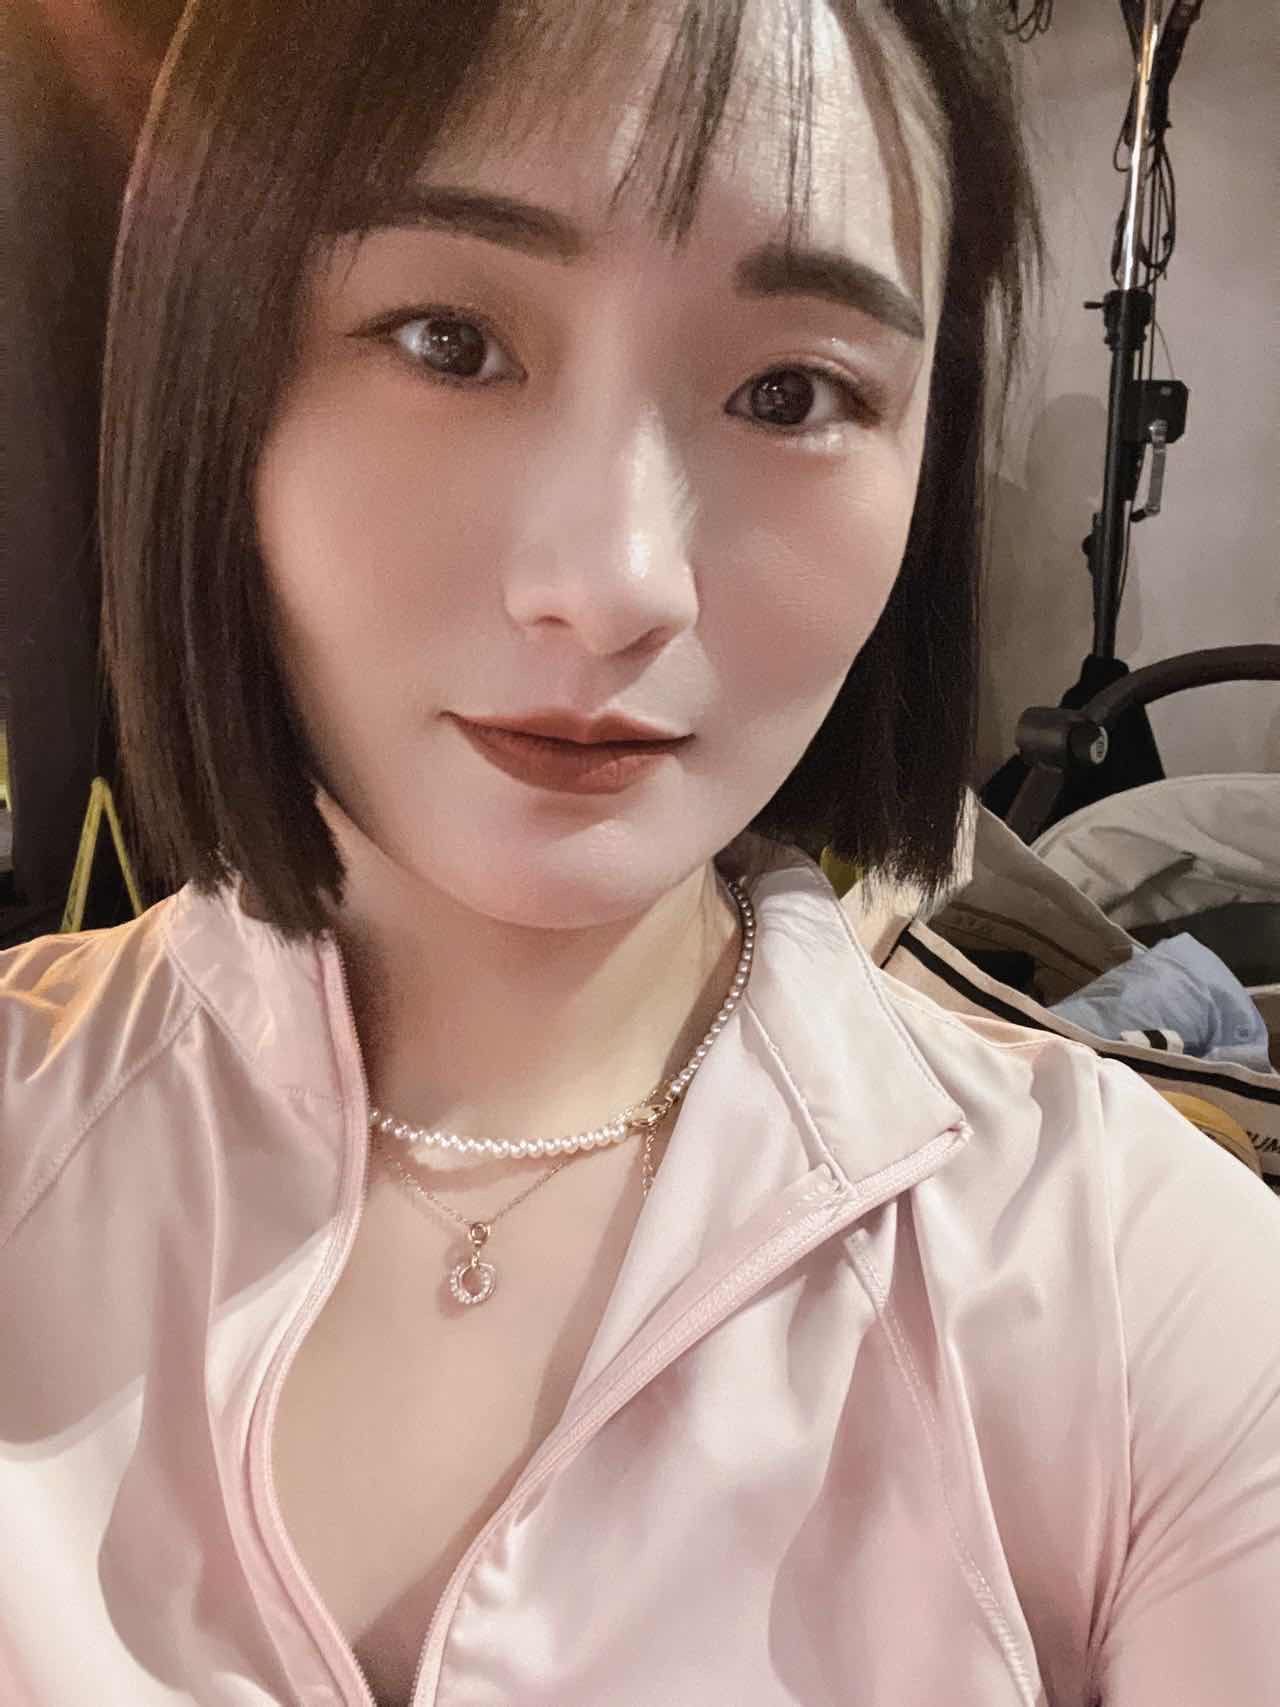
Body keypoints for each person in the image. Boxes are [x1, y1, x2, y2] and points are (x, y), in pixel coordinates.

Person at [1, 1, 1276, 1703]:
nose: (613, 584)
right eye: (450, 341)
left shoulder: (1142, 1289)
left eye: (791, 392)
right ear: (205, 365)